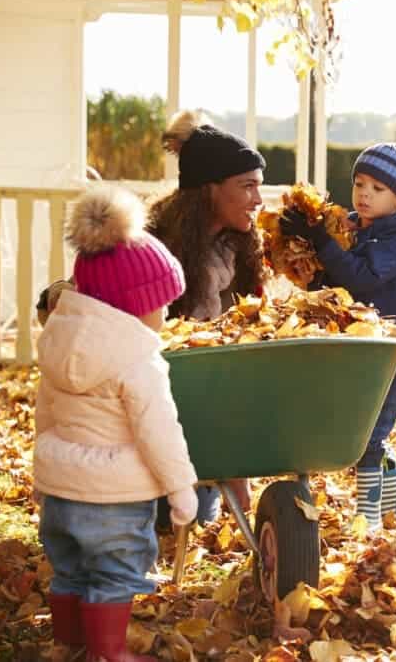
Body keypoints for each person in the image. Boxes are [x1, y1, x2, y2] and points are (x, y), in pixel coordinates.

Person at [34, 187, 198, 662]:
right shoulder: (138, 358)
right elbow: (159, 432)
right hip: (114, 498)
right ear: (136, 305)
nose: (166, 315)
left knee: (68, 570)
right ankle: (107, 653)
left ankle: (67, 644)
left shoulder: (57, 340)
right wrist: (181, 489)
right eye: (162, 305)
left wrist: (42, 473)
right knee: (112, 573)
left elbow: (47, 413)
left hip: (61, 488)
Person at [280, 142, 396, 532]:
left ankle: (368, 518)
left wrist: (323, 243)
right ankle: (389, 492)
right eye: (360, 183)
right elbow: (339, 283)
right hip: (359, 347)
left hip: (393, 349)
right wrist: (310, 252)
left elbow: (362, 276)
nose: (364, 194)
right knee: (362, 426)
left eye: (377, 188)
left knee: (371, 435)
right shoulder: (353, 231)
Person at [148, 110, 267, 526]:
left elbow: (252, 319)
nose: (258, 198)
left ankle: (222, 475)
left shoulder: (239, 247)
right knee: (170, 517)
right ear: (209, 189)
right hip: (158, 400)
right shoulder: (153, 244)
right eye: (247, 186)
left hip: (219, 393)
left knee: (198, 516)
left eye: (259, 186)